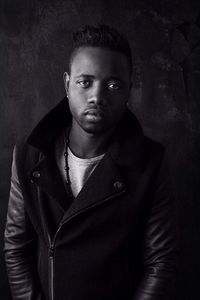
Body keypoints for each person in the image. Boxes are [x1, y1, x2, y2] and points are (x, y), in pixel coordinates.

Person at [4, 24, 178, 300]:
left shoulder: (151, 163)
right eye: (85, 82)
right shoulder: (28, 155)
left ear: (128, 91)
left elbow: (161, 263)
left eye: (113, 85)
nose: (97, 96)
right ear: (67, 84)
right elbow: (16, 248)